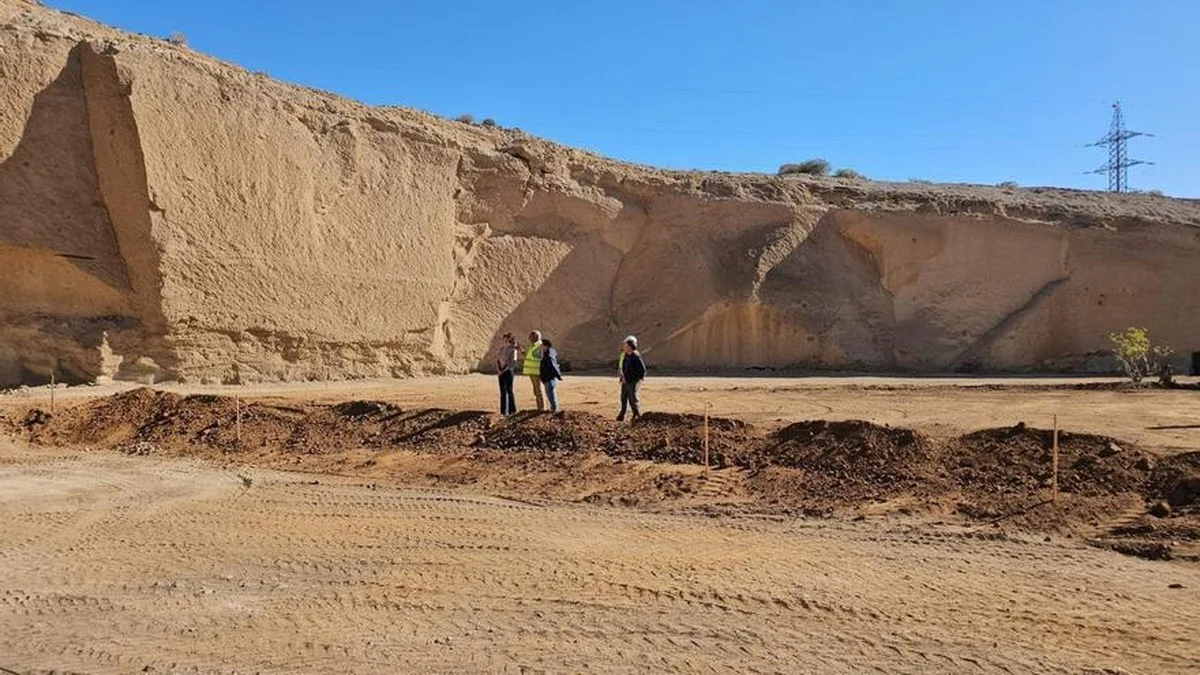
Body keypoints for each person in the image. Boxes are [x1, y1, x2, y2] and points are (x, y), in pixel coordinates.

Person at [618, 335, 646, 422]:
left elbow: (642, 370)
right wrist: (622, 377)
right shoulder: (626, 355)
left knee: (633, 399)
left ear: (630, 346)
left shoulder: (635, 356)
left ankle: (637, 415)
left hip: (632, 382)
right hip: (625, 381)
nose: (624, 347)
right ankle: (622, 415)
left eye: (626, 345)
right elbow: (623, 367)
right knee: (623, 398)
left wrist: (636, 380)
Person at [494, 333, 520, 416]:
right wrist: (498, 369)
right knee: (502, 392)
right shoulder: (502, 348)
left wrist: (503, 370)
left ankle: (512, 411)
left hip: (508, 371)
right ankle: (503, 411)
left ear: (509, 339)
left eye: (506, 339)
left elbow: (512, 363)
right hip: (501, 371)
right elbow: (498, 359)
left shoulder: (513, 350)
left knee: (509, 390)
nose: (504, 340)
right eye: (503, 339)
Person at [522, 330, 545, 411]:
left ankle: (541, 408)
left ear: (535, 337)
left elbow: (541, 358)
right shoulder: (533, 346)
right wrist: (522, 351)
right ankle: (539, 407)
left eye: (531, 336)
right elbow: (529, 358)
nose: (529, 337)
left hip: (537, 372)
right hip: (532, 372)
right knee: (536, 391)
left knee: (539, 391)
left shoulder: (539, 346)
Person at [539, 337, 564, 412]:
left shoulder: (549, 355)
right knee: (549, 394)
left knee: (551, 394)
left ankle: (555, 408)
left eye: (542, 345)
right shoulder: (546, 354)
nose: (541, 347)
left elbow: (553, 366)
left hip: (549, 378)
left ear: (546, 346)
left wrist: (558, 375)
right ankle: (554, 408)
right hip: (546, 377)